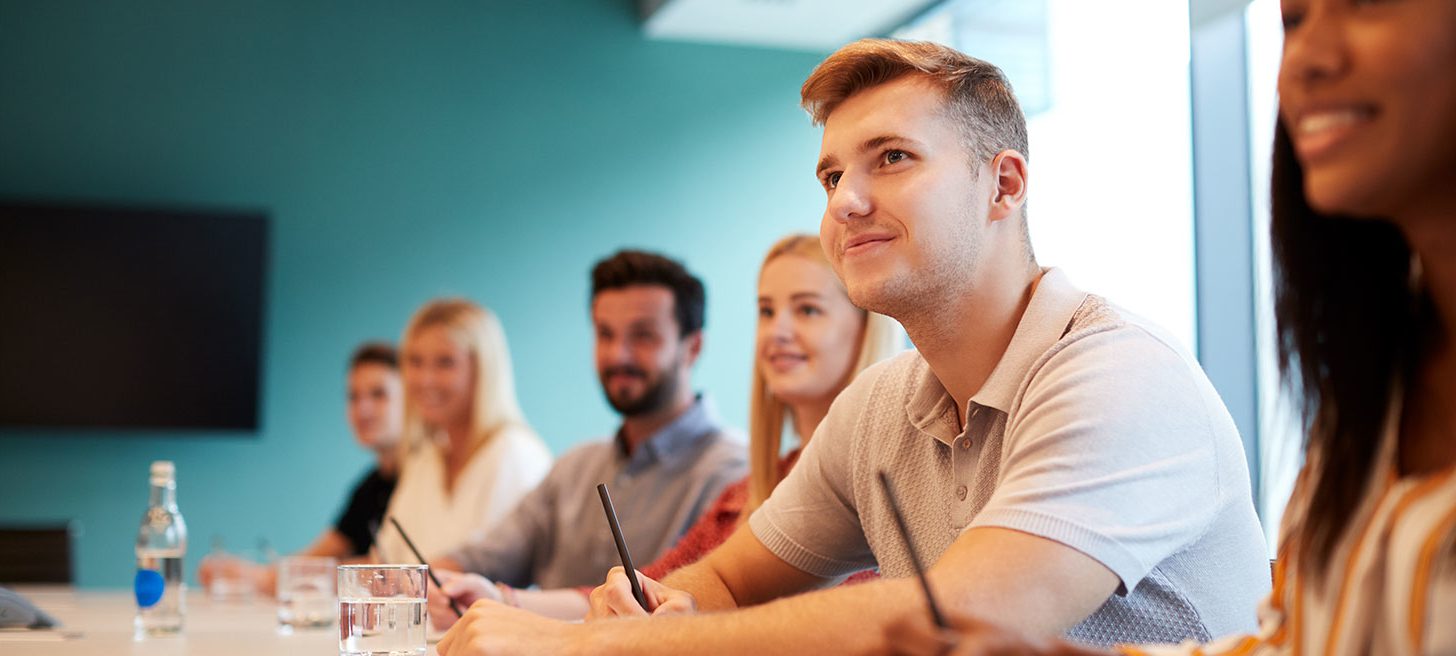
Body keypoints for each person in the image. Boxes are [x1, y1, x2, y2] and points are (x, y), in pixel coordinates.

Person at [436, 39, 1270, 656]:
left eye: (893, 159)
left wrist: (589, 645)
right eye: (833, 177)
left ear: (1004, 185)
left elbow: (959, 616)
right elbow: (725, 581)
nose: (846, 202)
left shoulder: (1117, 374)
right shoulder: (881, 403)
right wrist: (654, 605)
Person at [880, 0, 1456, 653]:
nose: (1308, 60)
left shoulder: (1118, 371)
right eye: (1292, 22)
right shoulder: (1378, 385)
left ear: (1005, 185)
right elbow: (1303, 643)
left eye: (1366, 4)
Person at [427, 235, 900, 624]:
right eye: (766, 311)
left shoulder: (850, 480)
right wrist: (505, 602)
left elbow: (826, 625)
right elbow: (656, 584)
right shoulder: (742, 491)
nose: (777, 332)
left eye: (807, 309)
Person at [424, 250, 747, 623]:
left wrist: (506, 600)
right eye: (605, 334)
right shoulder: (575, 466)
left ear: (692, 347)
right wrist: (433, 582)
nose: (617, 354)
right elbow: (485, 557)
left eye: (642, 336)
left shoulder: (733, 473)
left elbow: (681, 597)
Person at [197, 341, 406, 594]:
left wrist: (263, 577)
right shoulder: (369, 487)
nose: (363, 409)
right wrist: (253, 574)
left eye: (378, 394)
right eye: (353, 397)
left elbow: (387, 569)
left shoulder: (421, 481)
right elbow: (317, 556)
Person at [375, 299, 552, 562]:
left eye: (445, 363)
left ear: (483, 370)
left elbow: (506, 570)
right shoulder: (425, 459)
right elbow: (384, 564)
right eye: (415, 361)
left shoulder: (515, 455)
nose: (426, 379)